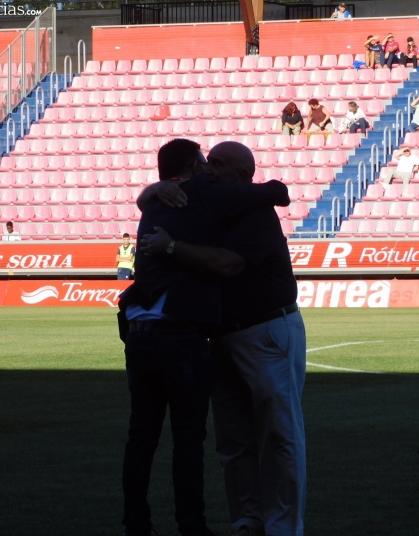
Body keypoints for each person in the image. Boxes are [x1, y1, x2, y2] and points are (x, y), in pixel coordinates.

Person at [120, 138, 290, 536]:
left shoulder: (155, 202)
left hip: (140, 333)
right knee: (188, 439)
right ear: (194, 167)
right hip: (181, 334)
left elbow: (146, 198)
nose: (209, 168)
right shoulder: (202, 194)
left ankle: (135, 524)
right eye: (205, 161)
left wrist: (151, 189)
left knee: (140, 437)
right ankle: (191, 526)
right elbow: (276, 192)